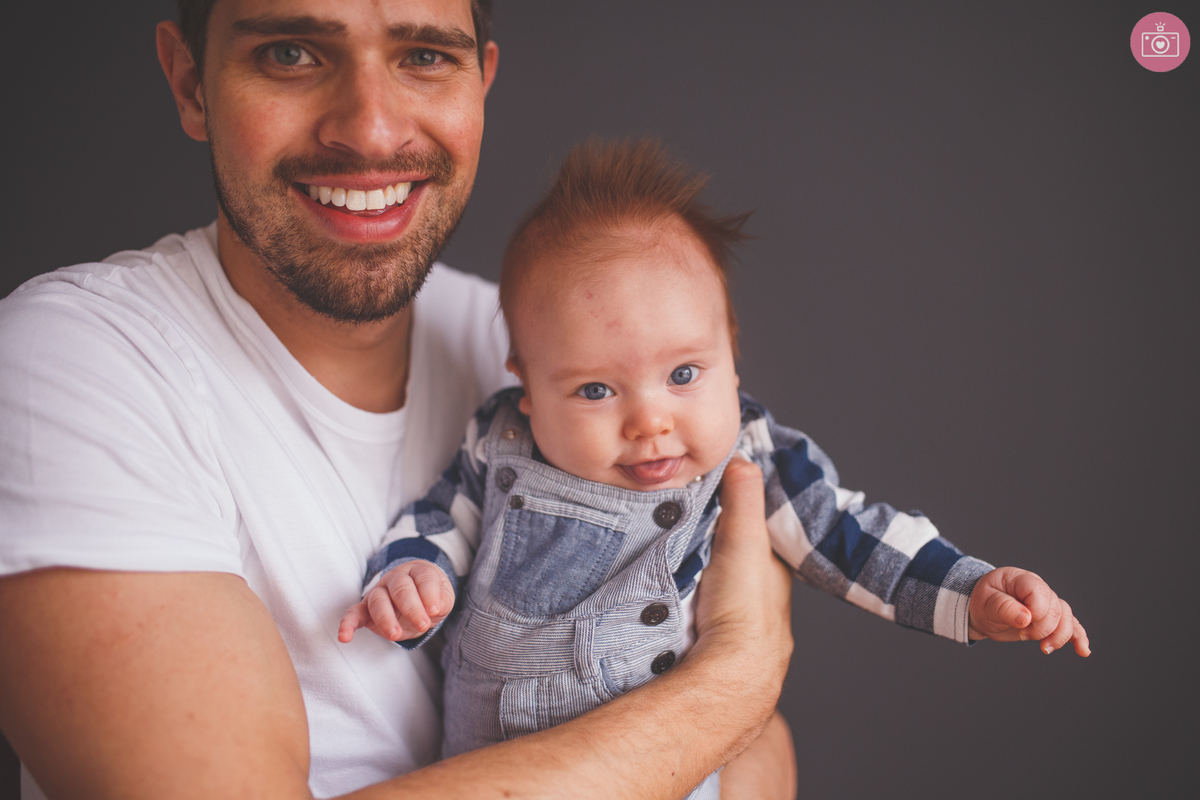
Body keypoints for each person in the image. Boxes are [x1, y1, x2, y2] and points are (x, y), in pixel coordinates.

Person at [0, 2, 798, 798]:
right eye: (290, 53)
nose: (372, 132)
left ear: (479, 84)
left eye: (423, 57)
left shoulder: (549, 367)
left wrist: (719, 719)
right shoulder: (74, 362)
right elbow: (725, 727)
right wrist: (735, 676)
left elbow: (762, 761)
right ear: (191, 85)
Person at [339, 140, 1092, 798]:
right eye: (596, 390)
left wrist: (968, 588)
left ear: (732, 351)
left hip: (666, 773)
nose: (650, 421)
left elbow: (851, 536)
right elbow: (439, 520)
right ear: (527, 388)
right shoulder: (498, 441)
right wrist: (413, 575)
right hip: (498, 773)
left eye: (685, 375)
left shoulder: (754, 457)